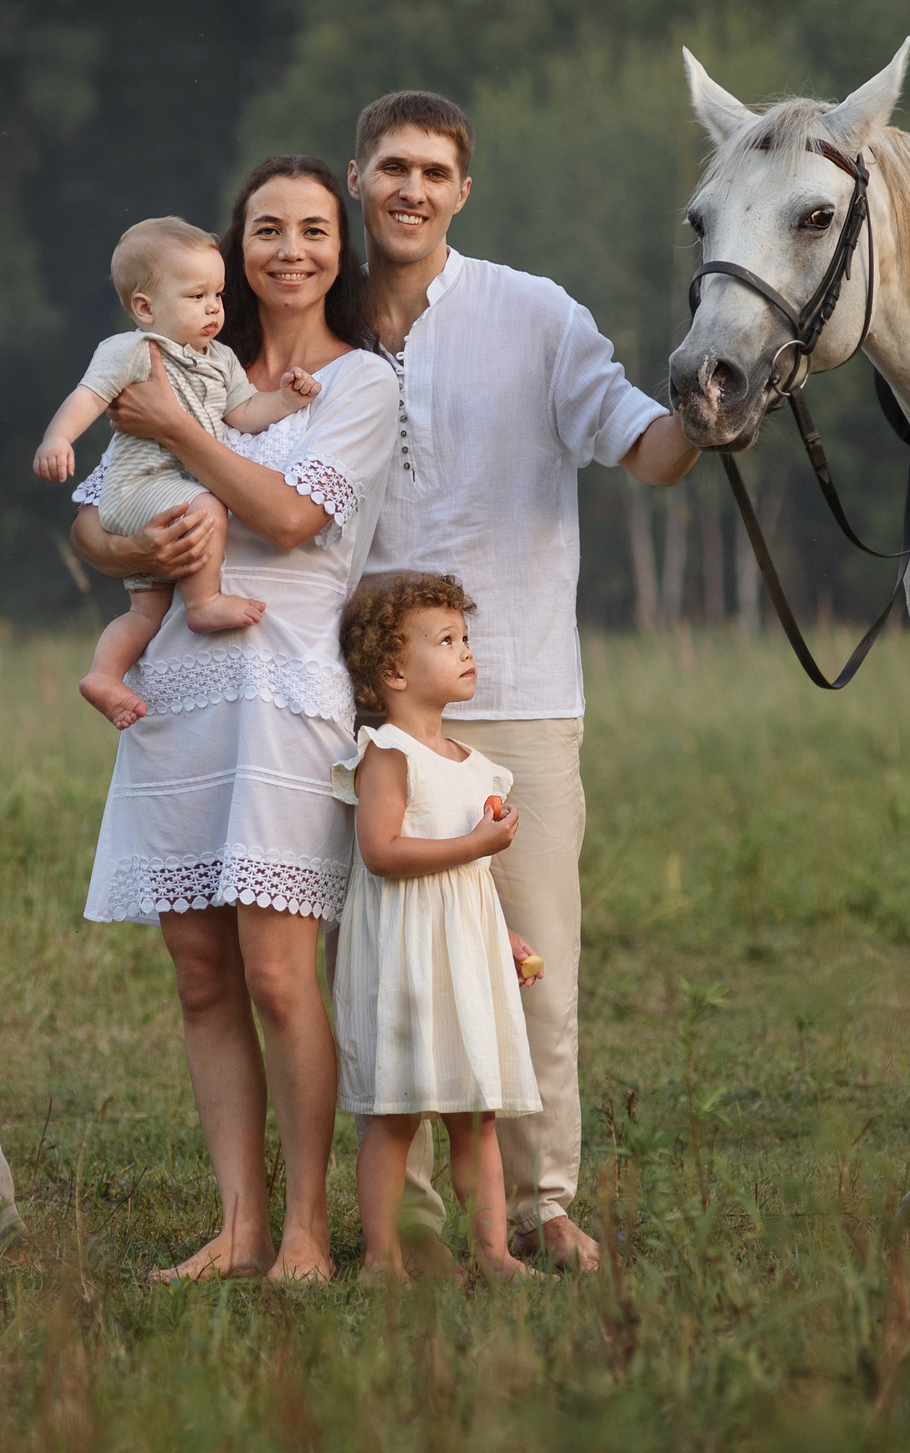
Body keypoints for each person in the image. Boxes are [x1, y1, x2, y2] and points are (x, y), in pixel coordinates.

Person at [350, 90, 699, 1274]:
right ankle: (413, 1217)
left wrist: (713, 412)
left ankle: (545, 1204)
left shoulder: (535, 315)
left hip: (521, 690)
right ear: (358, 179)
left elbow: (644, 445)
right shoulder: (316, 321)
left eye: (433, 171)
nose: (411, 188)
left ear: (463, 190)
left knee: (535, 965)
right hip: (366, 706)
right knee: (394, 967)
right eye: (392, 166)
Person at [70, 157, 395, 1283]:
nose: (290, 250)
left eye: (313, 229)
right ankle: (241, 1225)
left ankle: (306, 1229)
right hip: (176, 693)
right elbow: (93, 521)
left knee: (278, 977)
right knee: (202, 976)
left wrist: (181, 427)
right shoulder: (181, 356)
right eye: (267, 229)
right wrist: (132, 543)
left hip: (286, 691)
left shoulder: (358, 384)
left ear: (340, 250)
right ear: (235, 246)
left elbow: (293, 519)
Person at [330, 573, 543, 1282]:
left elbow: (470, 880)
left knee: (478, 1117)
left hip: (464, 964)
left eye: (465, 637)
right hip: (407, 964)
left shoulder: (474, 766)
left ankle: (494, 1252)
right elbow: (381, 852)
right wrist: (474, 843)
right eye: (446, 641)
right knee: (395, 1116)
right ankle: (383, 1258)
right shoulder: (388, 754)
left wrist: (501, 937)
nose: (466, 651)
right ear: (394, 672)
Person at [34, 217, 323, 728]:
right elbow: (89, 397)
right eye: (196, 296)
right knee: (208, 503)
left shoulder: (221, 359)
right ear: (145, 308)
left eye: (218, 294)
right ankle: (203, 602)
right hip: (136, 489)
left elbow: (244, 413)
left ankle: (104, 675)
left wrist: (283, 400)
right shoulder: (132, 351)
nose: (213, 308)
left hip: (166, 497)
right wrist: (58, 439)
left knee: (144, 612)